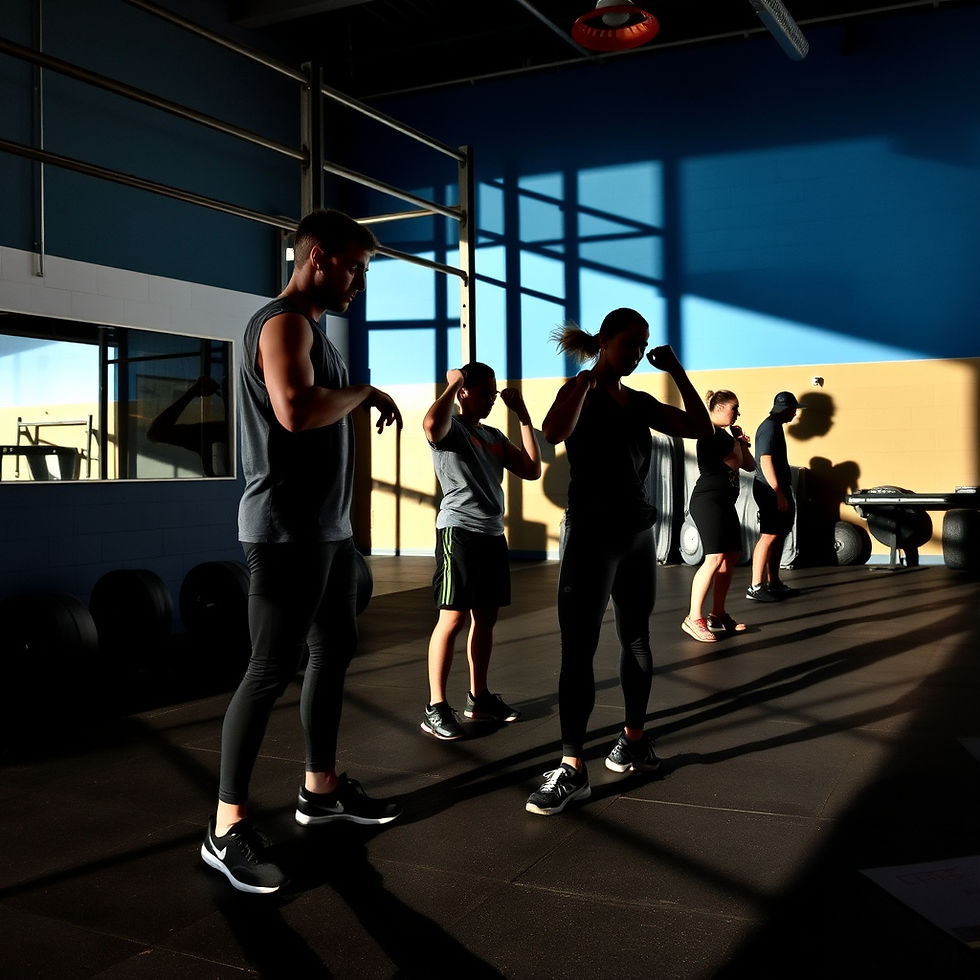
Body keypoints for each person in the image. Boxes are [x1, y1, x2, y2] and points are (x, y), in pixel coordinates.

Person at [201, 209, 404, 894]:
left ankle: (320, 790)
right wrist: (363, 392)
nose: (359, 283)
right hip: (285, 531)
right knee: (269, 669)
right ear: (318, 257)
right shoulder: (284, 323)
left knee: (333, 649)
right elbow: (294, 411)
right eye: (355, 268)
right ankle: (225, 826)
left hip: (327, 532)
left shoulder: (315, 331)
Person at [525, 309, 711, 816]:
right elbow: (553, 432)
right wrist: (583, 384)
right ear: (604, 341)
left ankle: (633, 740)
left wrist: (676, 370)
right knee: (577, 649)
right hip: (591, 534)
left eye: (642, 345)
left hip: (636, 534)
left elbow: (700, 427)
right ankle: (572, 767)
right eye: (629, 343)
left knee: (636, 638)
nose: (636, 354)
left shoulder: (638, 401)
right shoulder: (580, 389)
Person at [420, 362, 542, 740]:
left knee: (485, 619)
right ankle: (436, 707)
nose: (492, 398)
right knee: (452, 618)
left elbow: (532, 469)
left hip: (491, 533)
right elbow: (430, 424)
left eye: (494, 392)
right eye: (485, 392)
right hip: (459, 531)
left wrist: (523, 416)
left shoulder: (493, 435)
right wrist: (451, 384)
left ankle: (479, 697)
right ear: (463, 393)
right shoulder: (450, 428)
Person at [681, 390, 756, 642]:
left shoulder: (727, 436)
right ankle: (693, 618)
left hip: (724, 502)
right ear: (720, 407)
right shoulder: (709, 432)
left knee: (731, 555)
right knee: (714, 558)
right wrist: (738, 442)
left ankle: (718, 614)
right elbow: (736, 461)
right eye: (735, 408)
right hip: (708, 501)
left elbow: (750, 465)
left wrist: (740, 442)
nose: (738, 413)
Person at [747, 390, 801, 602]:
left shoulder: (775, 426)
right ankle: (755, 586)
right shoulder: (769, 428)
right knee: (769, 534)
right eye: (793, 409)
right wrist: (777, 491)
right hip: (769, 489)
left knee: (778, 534)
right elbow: (765, 460)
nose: (795, 414)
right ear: (785, 409)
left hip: (776, 488)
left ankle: (774, 582)